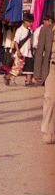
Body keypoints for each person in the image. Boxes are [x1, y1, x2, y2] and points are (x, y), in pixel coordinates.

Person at [37, 15, 55, 144]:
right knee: (50, 98)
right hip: (52, 68)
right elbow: (39, 52)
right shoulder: (46, 30)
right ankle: (47, 131)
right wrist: (37, 73)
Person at [8, 13, 36, 85]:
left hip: (29, 51)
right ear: (25, 21)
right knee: (18, 67)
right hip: (21, 51)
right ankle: (10, 78)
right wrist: (18, 51)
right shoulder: (19, 30)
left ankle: (28, 81)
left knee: (29, 67)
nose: (31, 23)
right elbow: (16, 42)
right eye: (30, 22)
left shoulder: (30, 30)